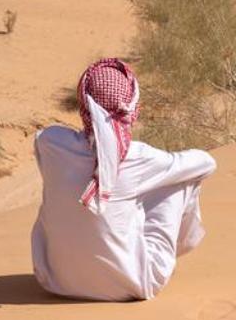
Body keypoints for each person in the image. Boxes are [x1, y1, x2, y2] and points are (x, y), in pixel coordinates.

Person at [30, 56, 215, 302]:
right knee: (179, 180)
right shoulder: (137, 157)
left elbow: (44, 143)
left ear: (83, 104)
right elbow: (206, 163)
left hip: (55, 281)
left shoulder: (50, 142)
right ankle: (180, 247)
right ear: (132, 106)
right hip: (132, 285)